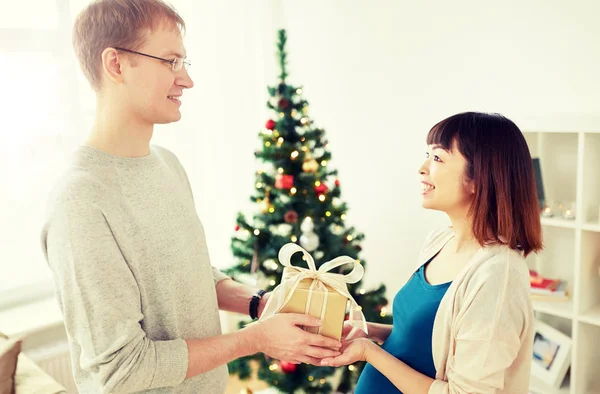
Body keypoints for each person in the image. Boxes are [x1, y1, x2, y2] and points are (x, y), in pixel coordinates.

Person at [40, 1, 341, 393]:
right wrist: (257, 338)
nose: (186, 80)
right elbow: (120, 371)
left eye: (184, 62)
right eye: (170, 61)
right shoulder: (80, 201)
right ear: (116, 64)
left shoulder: (167, 164)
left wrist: (259, 304)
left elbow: (185, 277)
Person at [321, 112, 543, 394]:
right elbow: (429, 346)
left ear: (478, 179)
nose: (422, 168)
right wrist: (372, 332)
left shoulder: (498, 276)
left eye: (437, 158)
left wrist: (368, 353)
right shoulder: (439, 241)